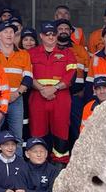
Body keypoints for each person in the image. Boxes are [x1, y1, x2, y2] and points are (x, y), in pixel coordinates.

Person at [28, 21, 77, 165]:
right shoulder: (30, 54)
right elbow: (26, 75)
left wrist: (54, 88)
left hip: (60, 98)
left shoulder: (67, 53)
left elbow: (72, 75)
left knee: (61, 131)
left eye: (53, 34)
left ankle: (59, 166)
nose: (51, 37)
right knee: (37, 132)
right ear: (41, 36)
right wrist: (42, 89)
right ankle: (38, 166)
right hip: (38, 97)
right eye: (47, 34)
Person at [0, 21, 32, 156]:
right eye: (5, 31)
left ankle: (17, 167)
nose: (9, 34)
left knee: (17, 138)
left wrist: (17, 93)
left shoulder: (24, 54)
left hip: (16, 99)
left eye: (12, 32)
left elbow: (28, 78)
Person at [55, 19, 89, 149]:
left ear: (70, 32)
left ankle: (76, 159)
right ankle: (58, 160)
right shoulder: (50, 49)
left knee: (76, 128)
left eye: (66, 29)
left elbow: (88, 74)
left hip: (76, 96)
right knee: (58, 128)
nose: (63, 31)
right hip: (56, 96)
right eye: (60, 29)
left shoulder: (80, 50)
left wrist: (83, 91)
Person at [19, 28, 39, 142]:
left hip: (36, 92)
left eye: (32, 39)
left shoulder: (40, 54)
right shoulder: (18, 54)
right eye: (25, 39)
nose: (29, 42)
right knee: (23, 121)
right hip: (23, 92)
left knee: (35, 121)